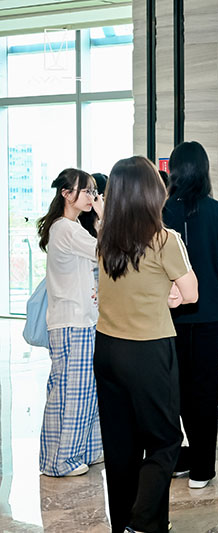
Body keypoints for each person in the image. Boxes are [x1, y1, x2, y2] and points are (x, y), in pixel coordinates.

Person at [95, 156, 198, 533]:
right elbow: (191, 293)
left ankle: (130, 524)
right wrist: (173, 293)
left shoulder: (105, 239)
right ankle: (141, 523)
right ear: (152, 191)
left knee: (120, 447)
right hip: (148, 350)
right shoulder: (165, 239)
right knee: (165, 441)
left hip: (107, 348)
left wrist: (167, 293)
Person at [163, 141, 218, 489]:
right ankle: (202, 469)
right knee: (206, 389)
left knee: (176, 388)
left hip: (171, 312)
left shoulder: (161, 211)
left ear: (174, 171)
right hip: (210, 312)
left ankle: (181, 457)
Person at [37, 168, 104, 478]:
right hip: (71, 323)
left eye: (93, 191)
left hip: (80, 321)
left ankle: (85, 450)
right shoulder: (65, 228)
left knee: (84, 391)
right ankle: (60, 461)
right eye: (86, 191)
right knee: (71, 394)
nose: (92, 196)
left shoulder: (72, 227)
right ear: (66, 194)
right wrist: (103, 217)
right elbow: (105, 251)